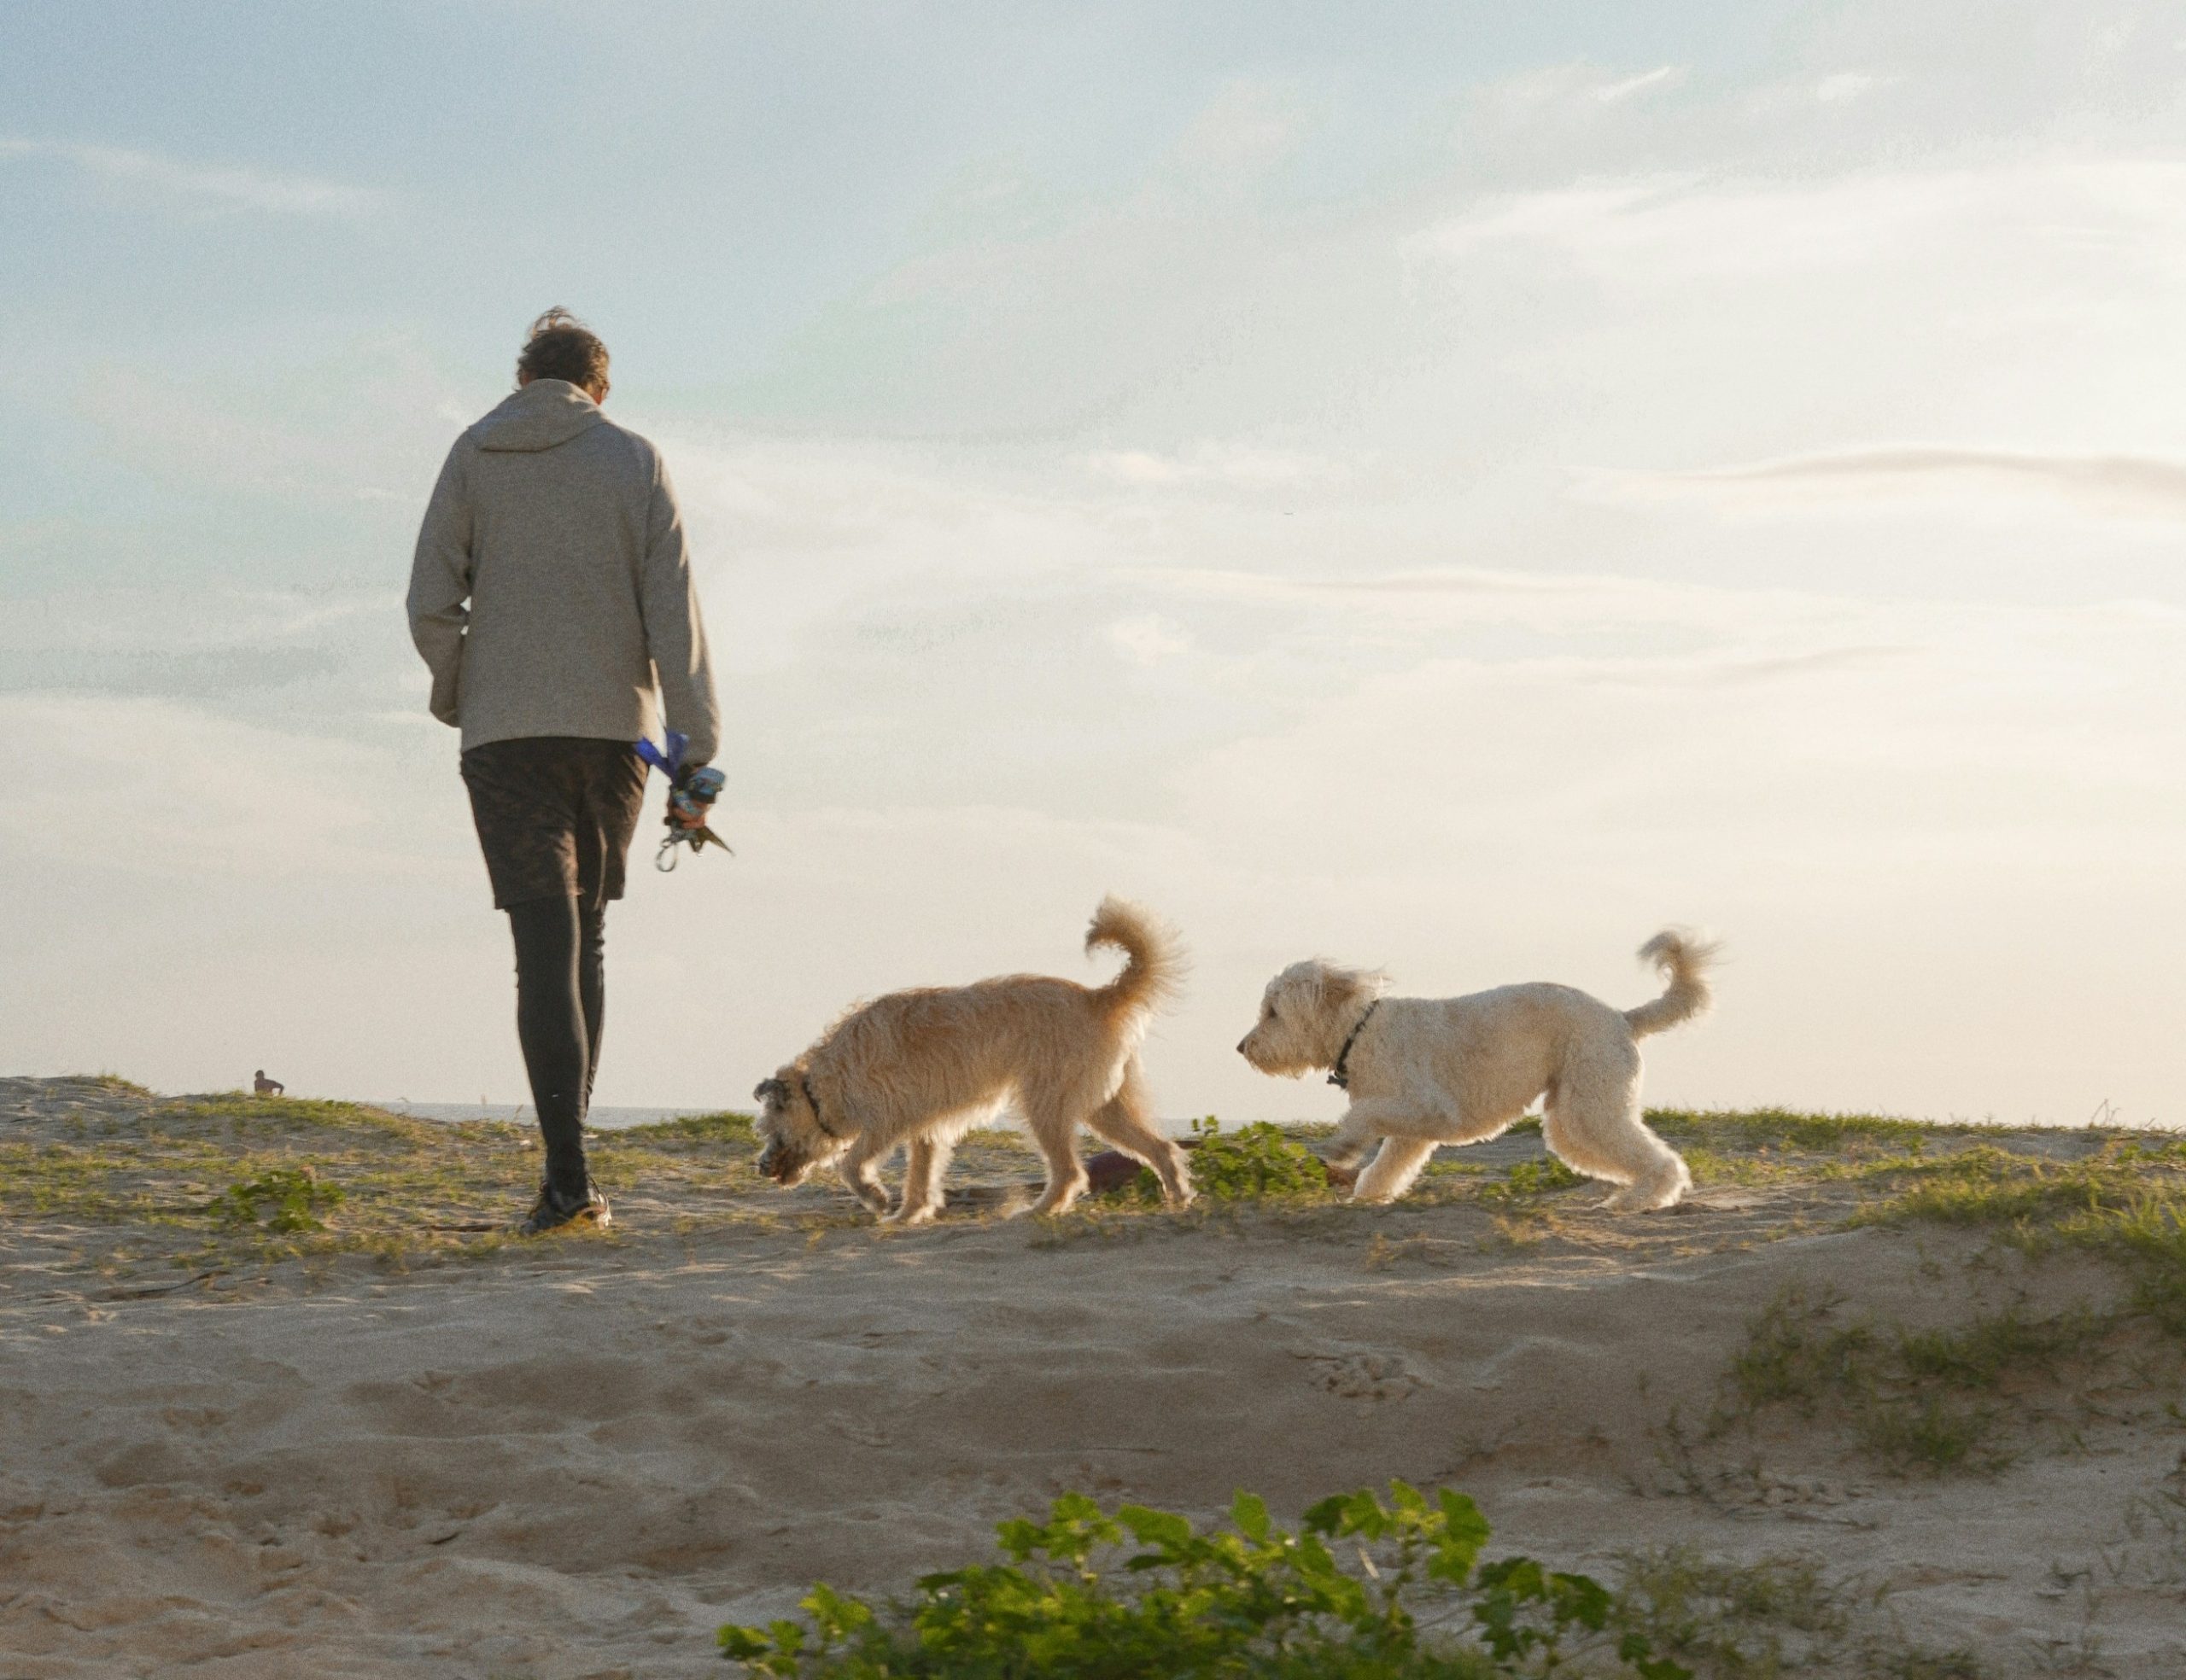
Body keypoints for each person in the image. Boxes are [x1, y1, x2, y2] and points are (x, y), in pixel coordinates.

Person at [407, 308, 721, 1235]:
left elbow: (431, 601)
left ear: (523, 379)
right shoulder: (633, 459)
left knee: (542, 946)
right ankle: (569, 1175)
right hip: (613, 737)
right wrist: (694, 752)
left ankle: (567, 1180)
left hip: (507, 739)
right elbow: (677, 615)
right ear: (598, 386)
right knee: (584, 941)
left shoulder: (473, 453)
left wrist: (465, 690)